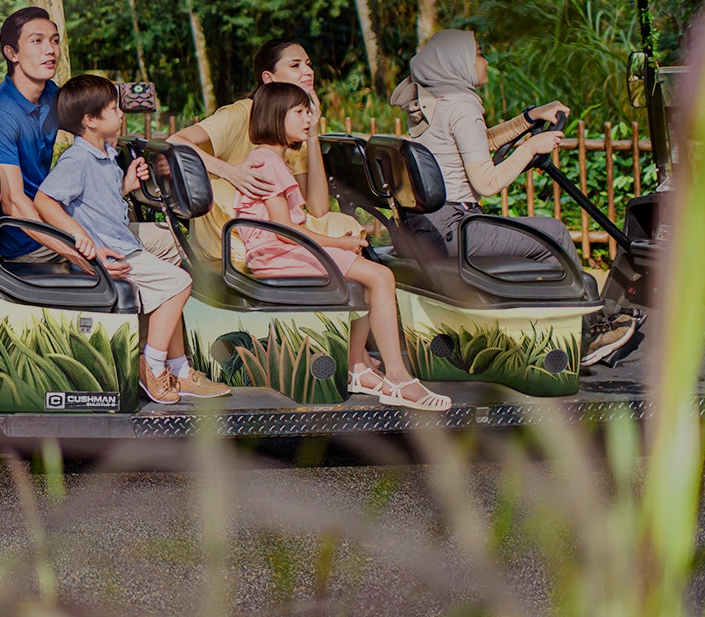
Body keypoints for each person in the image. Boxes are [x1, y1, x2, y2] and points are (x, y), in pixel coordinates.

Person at [235, 83, 450, 412]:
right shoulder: (267, 161)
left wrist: (345, 245)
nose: (308, 119)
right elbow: (283, 229)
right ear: (276, 116)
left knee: (364, 267)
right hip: (274, 253)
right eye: (299, 112)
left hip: (279, 250)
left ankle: (356, 368)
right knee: (381, 277)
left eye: (308, 111)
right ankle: (398, 378)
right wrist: (338, 242)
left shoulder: (269, 158)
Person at [33, 75, 231, 402]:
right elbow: (44, 201)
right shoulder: (77, 159)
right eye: (113, 109)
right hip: (113, 247)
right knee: (180, 283)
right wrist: (84, 240)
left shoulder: (105, 152)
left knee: (172, 240)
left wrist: (125, 185)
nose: (121, 113)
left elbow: (98, 199)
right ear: (91, 121)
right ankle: (152, 365)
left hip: (119, 234)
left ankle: (176, 360)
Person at [388, 29, 578, 266]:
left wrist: (529, 118)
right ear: (457, 62)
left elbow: (479, 143)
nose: (485, 62)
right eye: (479, 54)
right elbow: (486, 184)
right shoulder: (462, 108)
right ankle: (578, 300)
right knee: (555, 233)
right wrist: (530, 148)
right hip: (454, 229)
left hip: (425, 226)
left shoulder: (434, 102)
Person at [168, 39, 333, 265]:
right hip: (235, 231)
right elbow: (175, 141)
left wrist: (313, 136)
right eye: (295, 66)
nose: (308, 71)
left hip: (278, 224)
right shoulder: (242, 112)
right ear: (268, 78)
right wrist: (229, 172)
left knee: (341, 225)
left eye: (308, 64)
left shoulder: (297, 129)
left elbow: (319, 209)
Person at [0, 7, 87, 267]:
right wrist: (76, 252)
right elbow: (14, 205)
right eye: (37, 41)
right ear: (11, 53)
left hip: (60, 221)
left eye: (54, 40)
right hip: (30, 243)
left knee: (159, 238)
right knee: (163, 253)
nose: (51, 50)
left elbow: (91, 127)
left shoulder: (49, 95)